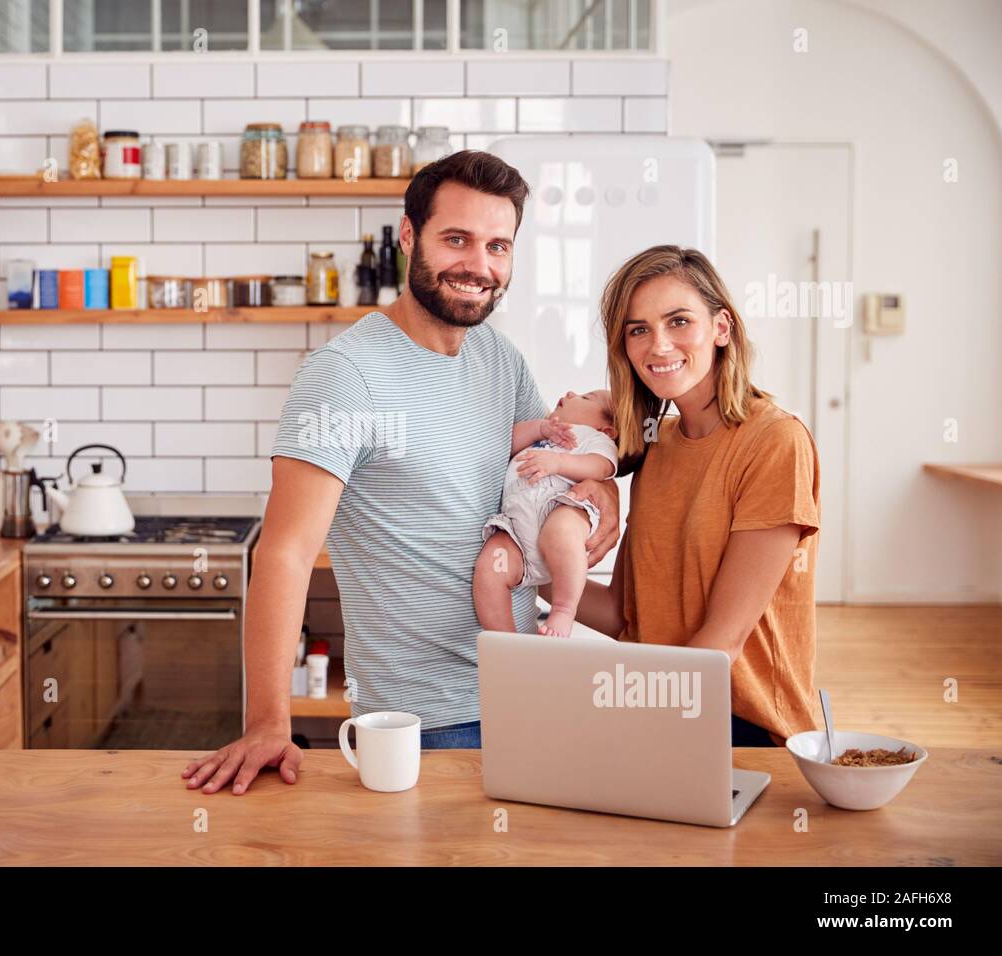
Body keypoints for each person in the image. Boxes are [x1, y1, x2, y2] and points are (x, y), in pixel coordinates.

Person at [182, 151, 621, 794]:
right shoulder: (344, 374)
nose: (479, 266)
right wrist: (268, 721)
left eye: (498, 245)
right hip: (425, 726)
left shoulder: (501, 359)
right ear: (409, 237)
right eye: (457, 240)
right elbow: (284, 553)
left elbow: (537, 478)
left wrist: (601, 490)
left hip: (531, 699)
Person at [574, 245, 820, 747]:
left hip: (744, 726)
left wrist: (624, 716)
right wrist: (526, 564)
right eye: (638, 329)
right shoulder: (658, 445)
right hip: (663, 704)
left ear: (722, 329)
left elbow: (722, 643)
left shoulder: (776, 441)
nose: (658, 346)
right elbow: (620, 613)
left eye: (679, 321)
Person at [474, 389, 618, 637]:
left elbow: (602, 466)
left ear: (606, 429)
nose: (571, 392)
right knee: (490, 567)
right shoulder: (543, 430)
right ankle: (506, 640)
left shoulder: (593, 438)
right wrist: (540, 429)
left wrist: (559, 463)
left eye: (585, 398)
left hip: (561, 506)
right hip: (517, 531)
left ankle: (563, 610)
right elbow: (502, 445)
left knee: (561, 532)